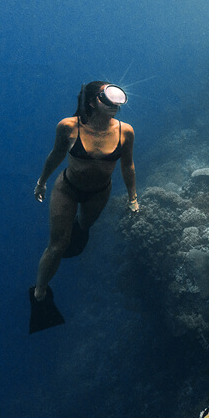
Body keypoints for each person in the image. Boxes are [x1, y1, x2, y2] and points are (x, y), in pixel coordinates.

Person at [32, 81, 140, 304]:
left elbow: (127, 165)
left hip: (99, 192)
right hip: (68, 189)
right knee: (56, 246)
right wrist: (42, 181)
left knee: (85, 225)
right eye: (106, 98)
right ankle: (40, 291)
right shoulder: (68, 127)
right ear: (92, 102)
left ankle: (76, 229)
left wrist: (133, 198)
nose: (113, 105)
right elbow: (56, 155)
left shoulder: (125, 131)